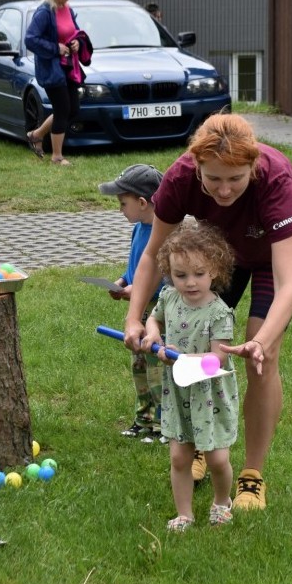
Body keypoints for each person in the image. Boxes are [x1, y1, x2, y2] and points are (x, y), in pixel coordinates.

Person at [123, 112, 292, 511]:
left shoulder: (275, 180)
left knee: (261, 360)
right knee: (193, 347)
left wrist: (259, 343)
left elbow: (286, 288)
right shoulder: (179, 178)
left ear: (253, 167)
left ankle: (251, 475)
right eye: (213, 179)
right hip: (221, 252)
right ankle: (202, 444)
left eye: (235, 179)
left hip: (273, 257)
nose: (224, 190)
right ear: (196, 166)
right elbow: (152, 255)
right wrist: (136, 317)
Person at [142, 221, 242, 531]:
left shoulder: (219, 313)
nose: (190, 282)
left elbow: (216, 358)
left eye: (199, 274)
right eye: (180, 275)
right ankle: (184, 513)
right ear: (169, 271)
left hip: (209, 394)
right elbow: (153, 321)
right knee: (179, 458)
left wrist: (181, 357)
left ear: (215, 270)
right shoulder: (169, 298)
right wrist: (152, 337)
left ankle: (222, 501)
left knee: (216, 460)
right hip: (179, 392)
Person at [97, 164, 166, 444]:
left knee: (157, 368)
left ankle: (164, 425)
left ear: (141, 202)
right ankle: (144, 420)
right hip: (139, 311)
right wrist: (123, 282)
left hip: (158, 316)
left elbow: (163, 280)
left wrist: (135, 292)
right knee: (139, 367)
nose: (119, 209)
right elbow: (136, 267)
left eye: (122, 203)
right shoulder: (138, 228)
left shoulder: (165, 233)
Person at [24, 0, 92, 166]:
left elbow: (75, 32)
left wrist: (77, 43)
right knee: (62, 108)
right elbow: (31, 39)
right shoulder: (45, 12)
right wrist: (55, 48)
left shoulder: (67, 9)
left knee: (72, 109)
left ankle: (36, 135)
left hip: (69, 68)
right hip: (53, 69)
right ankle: (57, 156)